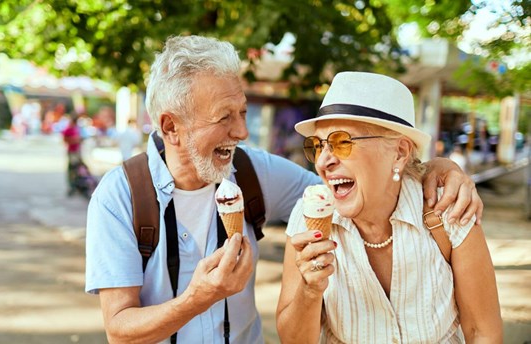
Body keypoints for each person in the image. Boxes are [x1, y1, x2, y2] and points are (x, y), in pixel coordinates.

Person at [85, 36, 483, 343]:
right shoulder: (120, 197)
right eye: (224, 117)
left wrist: (436, 168)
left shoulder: (254, 171)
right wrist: (201, 296)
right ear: (170, 126)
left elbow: (352, 187)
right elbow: (120, 331)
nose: (241, 132)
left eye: (242, 112)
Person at [276, 72, 502, 343]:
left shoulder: (448, 208)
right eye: (318, 145)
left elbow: (482, 333)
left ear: (399, 152)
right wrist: (310, 291)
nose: (324, 160)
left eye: (342, 142)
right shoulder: (308, 215)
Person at [62, 115, 83, 196]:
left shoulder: (76, 128)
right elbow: (65, 140)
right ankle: (72, 186)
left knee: (78, 170)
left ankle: (78, 186)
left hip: (77, 151)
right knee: (72, 170)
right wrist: (74, 140)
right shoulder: (68, 129)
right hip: (72, 152)